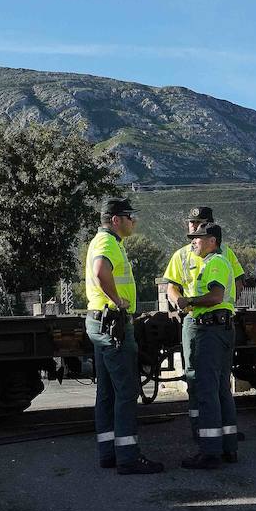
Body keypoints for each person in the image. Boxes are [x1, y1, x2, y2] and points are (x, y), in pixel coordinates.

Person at [85, 198, 162, 475]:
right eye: (130, 216)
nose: (134, 221)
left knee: (106, 392)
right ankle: (128, 457)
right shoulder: (107, 243)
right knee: (126, 391)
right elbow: (100, 272)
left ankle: (109, 453)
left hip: (100, 324)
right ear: (116, 219)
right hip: (114, 324)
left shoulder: (105, 242)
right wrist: (118, 301)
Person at [163, 206, 244, 440]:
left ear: (211, 235)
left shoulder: (222, 254)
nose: (194, 227)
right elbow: (171, 285)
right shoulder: (181, 254)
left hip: (213, 321)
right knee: (195, 377)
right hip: (193, 319)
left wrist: (225, 306)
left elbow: (235, 283)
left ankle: (213, 436)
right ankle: (201, 427)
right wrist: (180, 301)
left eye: (200, 224)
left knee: (213, 380)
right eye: (192, 223)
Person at [174, 223, 237, 469]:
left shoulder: (214, 263)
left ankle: (210, 452)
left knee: (208, 390)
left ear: (212, 241)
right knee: (221, 388)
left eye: (198, 239)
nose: (193, 243)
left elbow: (215, 296)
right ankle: (228, 446)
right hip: (219, 328)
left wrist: (188, 300)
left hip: (211, 330)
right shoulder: (215, 262)